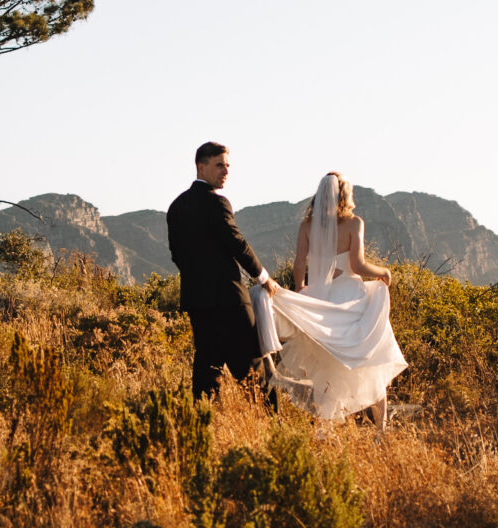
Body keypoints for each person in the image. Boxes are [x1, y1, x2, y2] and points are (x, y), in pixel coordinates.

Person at [268, 171, 407, 427]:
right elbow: (358, 264)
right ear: (345, 195)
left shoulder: (307, 226)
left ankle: (326, 429)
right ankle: (381, 429)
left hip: (322, 302)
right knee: (372, 363)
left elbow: (299, 263)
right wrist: (384, 272)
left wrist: (301, 291)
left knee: (327, 369)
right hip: (352, 299)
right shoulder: (354, 223)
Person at [165, 141, 274, 397]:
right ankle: (273, 425)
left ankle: (202, 425)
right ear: (200, 167)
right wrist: (263, 276)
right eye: (219, 165)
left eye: (227, 165)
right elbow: (237, 243)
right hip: (229, 300)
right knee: (254, 367)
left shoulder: (176, 207)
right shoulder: (217, 203)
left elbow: (176, 254)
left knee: (207, 369)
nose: (225, 171)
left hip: (197, 302)